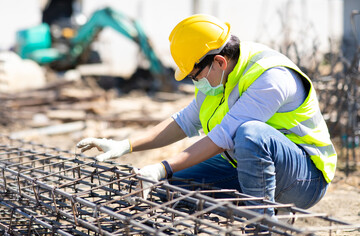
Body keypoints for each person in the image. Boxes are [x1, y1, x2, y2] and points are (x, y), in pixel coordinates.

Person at [76, 14, 337, 217]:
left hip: (305, 178)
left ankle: (263, 227)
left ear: (219, 61)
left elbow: (225, 136)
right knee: (172, 189)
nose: (194, 82)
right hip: (247, 167)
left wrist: (163, 166)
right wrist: (126, 145)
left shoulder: (270, 77)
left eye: (194, 76)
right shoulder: (217, 77)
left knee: (250, 134)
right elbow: (185, 120)